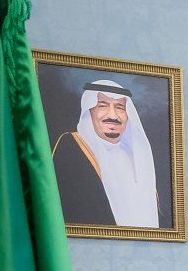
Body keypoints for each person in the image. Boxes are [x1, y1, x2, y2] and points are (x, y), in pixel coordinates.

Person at [51, 77, 163, 229]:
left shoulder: (139, 157)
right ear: (89, 111)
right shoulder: (71, 147)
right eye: (102, 106)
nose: (113, 115)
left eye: (120, 107)